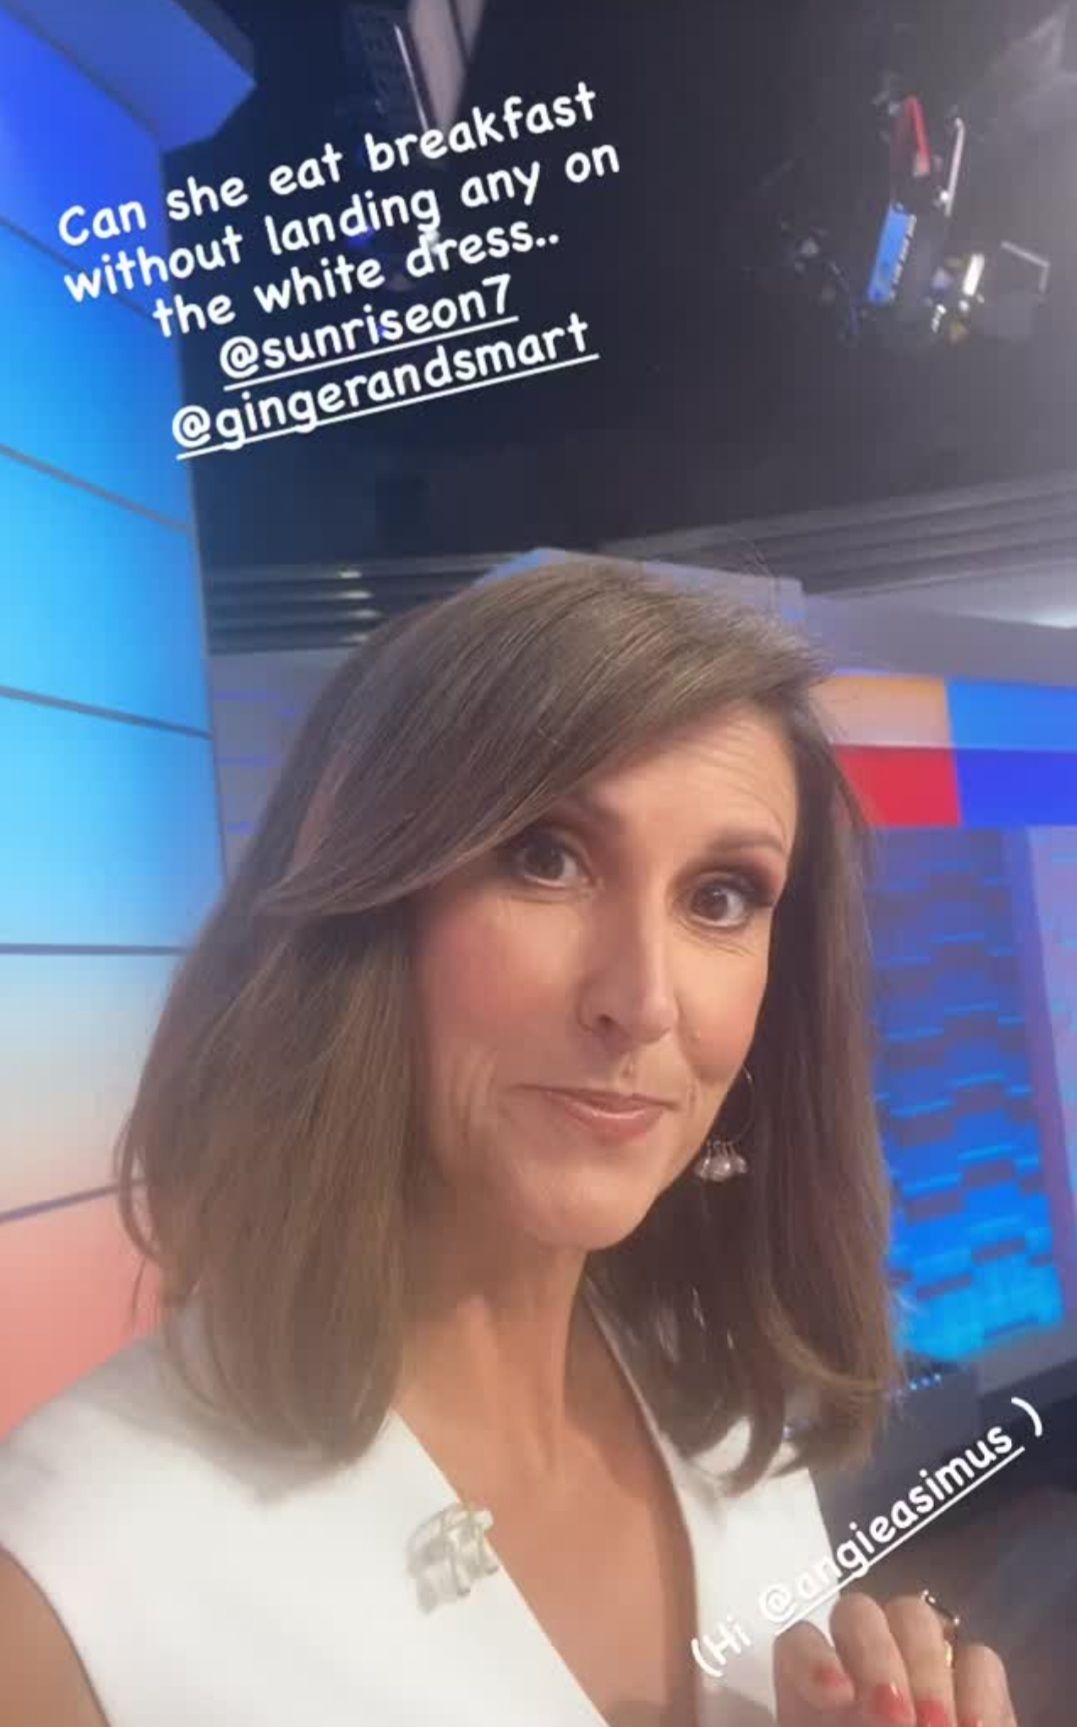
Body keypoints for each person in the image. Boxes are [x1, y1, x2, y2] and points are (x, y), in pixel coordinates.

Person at [0, 558, 1020, 1726]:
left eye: (721, 896)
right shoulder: (64, 1589)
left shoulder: (727, 1418)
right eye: (547, 857)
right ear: (361, 917)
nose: (644, 1000)